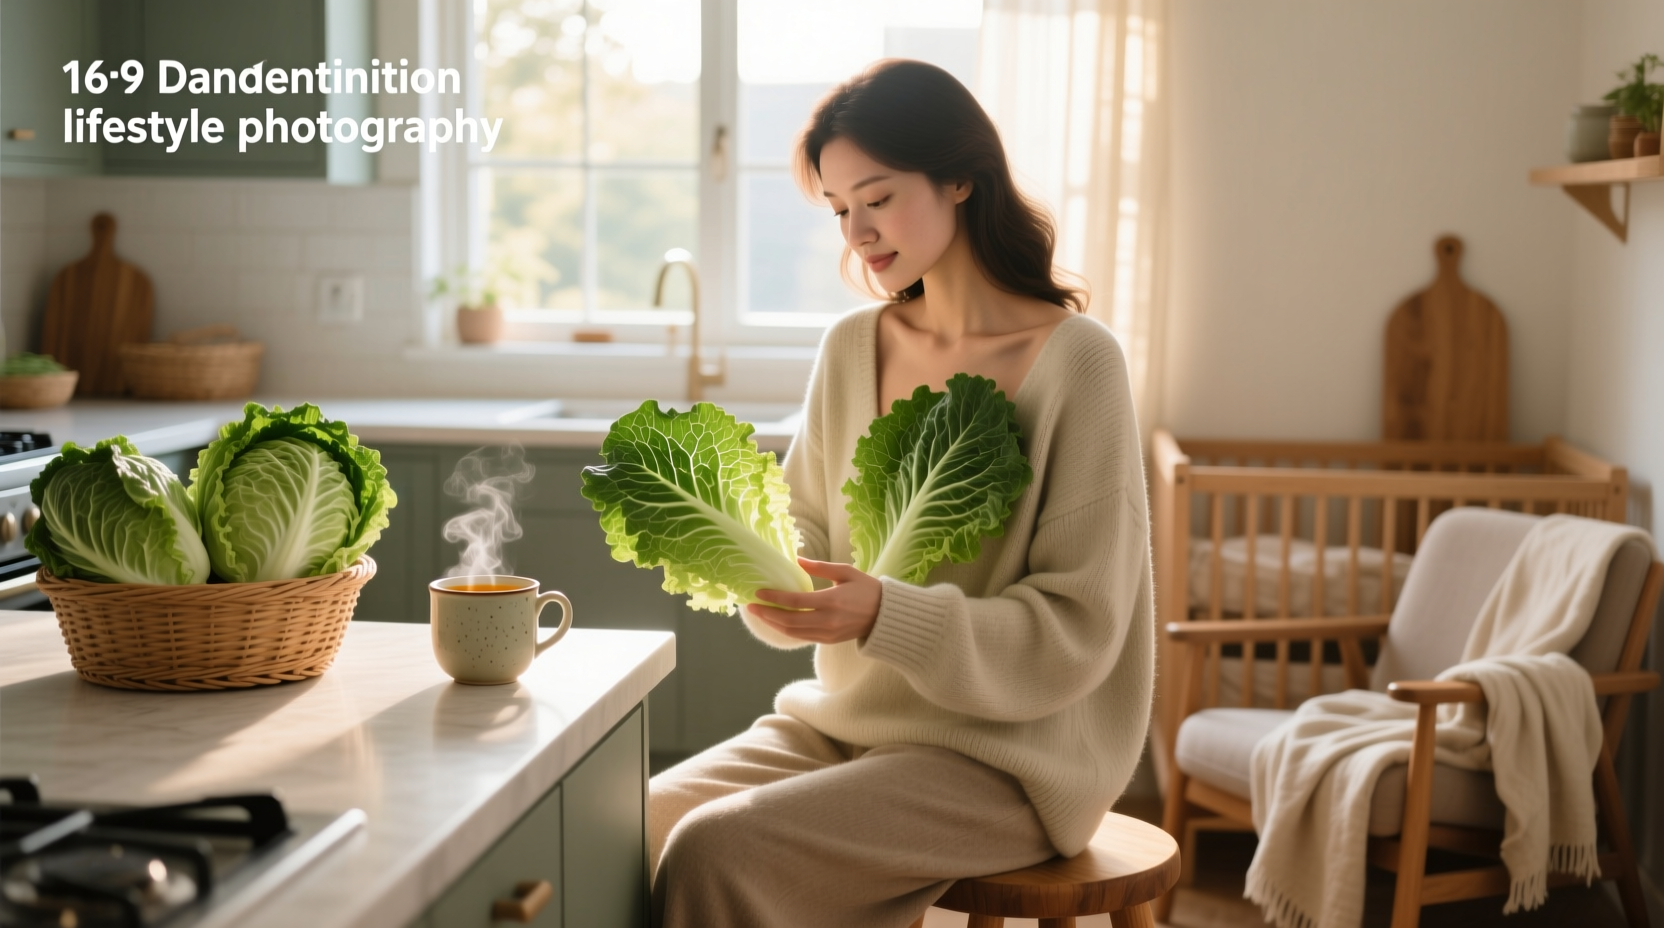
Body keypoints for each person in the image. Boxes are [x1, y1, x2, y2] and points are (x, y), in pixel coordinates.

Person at [648, 58, 1153, 927]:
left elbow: (1078, 630)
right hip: (843, 725)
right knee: (621, 822)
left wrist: (885, 613)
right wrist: (768, 576)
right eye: (840, 209)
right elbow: (805, 518)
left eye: (877, 198)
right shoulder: (852, 345)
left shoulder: (1080, 362)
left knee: (715, 848)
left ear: (960, 177)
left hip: (1011, 760)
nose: (858, 232)